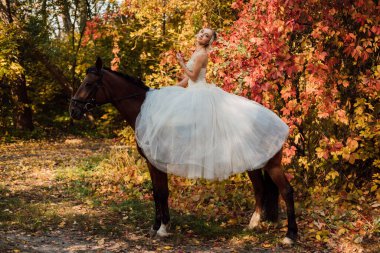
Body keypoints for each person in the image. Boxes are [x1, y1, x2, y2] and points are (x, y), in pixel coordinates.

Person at [135, 28, 289, 180]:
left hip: (199, 92)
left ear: (209, 41)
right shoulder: (196, 52)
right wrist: (166, 91)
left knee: (205, 128)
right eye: (202, 32)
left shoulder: (202, 54)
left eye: (206, 35)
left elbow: (194, 77)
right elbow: (185, 81)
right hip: (192, 91)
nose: (202, 35)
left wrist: (181, 63)